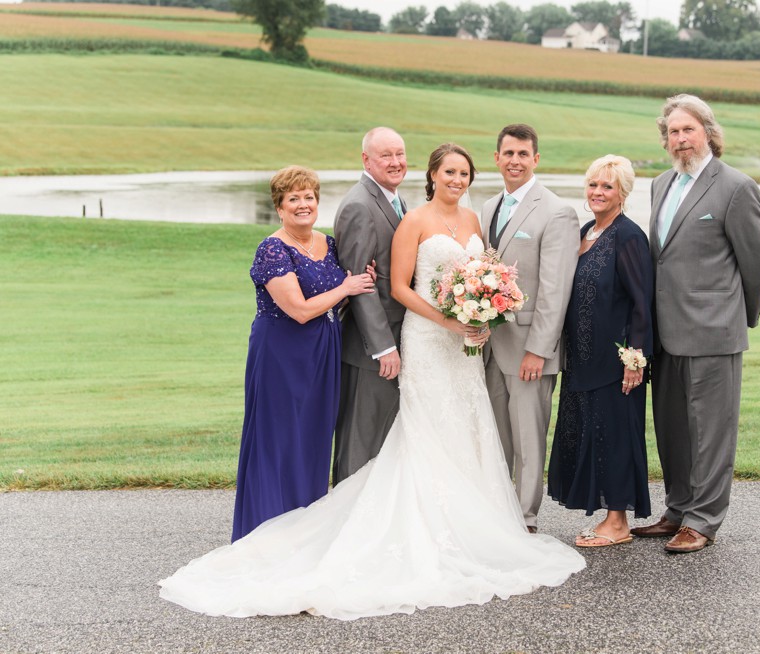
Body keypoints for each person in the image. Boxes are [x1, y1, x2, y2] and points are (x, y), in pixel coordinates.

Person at [159, 144, 585, 620]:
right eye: (449, 171)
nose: (457, 179)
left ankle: (479, 526)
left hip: (463, 349)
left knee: (467, 427)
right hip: (426, 338)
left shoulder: (474, 221)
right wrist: (445, 323)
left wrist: (481, 312)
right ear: (433, 175)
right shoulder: (408, 218)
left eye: (464, 172)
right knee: (420, 433)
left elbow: (478, 275)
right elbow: (397, 286)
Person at [630, 94, 760, 553]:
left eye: (687, 129)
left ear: (708, 132)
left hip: (714, 332)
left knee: (711, 431)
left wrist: (740, 318)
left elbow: (757, 263)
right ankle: (677, 508)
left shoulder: (736, 187)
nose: (679, 139)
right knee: (672, 428)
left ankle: (705, 519)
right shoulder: (659, 185)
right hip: (664, 333)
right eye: (672, 131)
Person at [231, 166, 376, 542]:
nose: (302, 204)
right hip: (281, 354)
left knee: (313, 437)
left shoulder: (328, 244)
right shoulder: (272, 249)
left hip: (322, 353)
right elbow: (298, 309)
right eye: (292, 198)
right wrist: (347, 286)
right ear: (279, 208)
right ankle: (266, 530)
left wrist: (363, 280)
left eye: (308, 197)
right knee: (279, 439)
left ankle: (307, 530)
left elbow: (348, 288)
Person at [548, 155, 654, 547]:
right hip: (581, 358)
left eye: (607, 186)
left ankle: (618, 522)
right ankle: (608, 518)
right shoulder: (586, 231)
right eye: (593, 184)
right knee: (591, 433)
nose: (597, 192)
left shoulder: (628, 236)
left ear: (623, 193)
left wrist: (634, 359)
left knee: (615, 436)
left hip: (615, 362)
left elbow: (642, 303)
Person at [481, 124, 580, 533]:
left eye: (523, 154)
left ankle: (525, 518)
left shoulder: (556, 210)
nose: (515, 161)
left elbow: (556, 289)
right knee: (496, 435)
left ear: (536, 159)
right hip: (488, 344)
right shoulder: (487, 207)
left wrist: (539, 349)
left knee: (527, 438)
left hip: (528, 349)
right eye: (508, 153)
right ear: (497, 158)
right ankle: (497, 510)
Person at [332, 127, 408, 485]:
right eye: (386, 155)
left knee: (384, 439)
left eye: (400, 153)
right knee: (361, 442)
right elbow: (360, 285)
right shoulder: (359, 205)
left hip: (398, 336)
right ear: (366, 160)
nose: (395, 162)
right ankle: (347, 521)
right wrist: (383, 348)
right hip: (370, 350)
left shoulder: (394, 199)